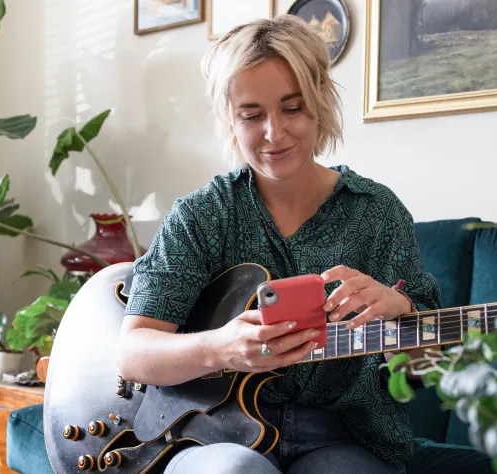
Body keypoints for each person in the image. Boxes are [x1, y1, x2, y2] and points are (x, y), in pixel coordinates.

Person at [118, 14, 440, 474]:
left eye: (293, 109)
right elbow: (133, 353)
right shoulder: (203, 213)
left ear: (320, 102)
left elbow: (424, 374)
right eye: (252, 115)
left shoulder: (378, 212)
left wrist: (400, 312)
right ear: (230, 118)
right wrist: (223, 348)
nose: (274, 132)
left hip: (344, 437)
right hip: (211, 435)